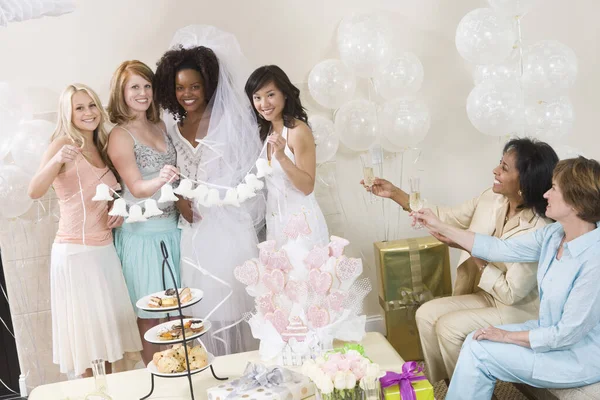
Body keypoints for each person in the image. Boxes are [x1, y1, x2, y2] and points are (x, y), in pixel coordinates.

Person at [362, 138, 558, 383]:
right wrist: (395, 194)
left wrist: (474, 252)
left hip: (517, 308)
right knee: (425, 314)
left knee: (448, 327)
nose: (495, 171)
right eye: (500, 163)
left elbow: (510, 294)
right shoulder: (491, 198)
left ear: (525, 181)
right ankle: (452, 387)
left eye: (505, 168)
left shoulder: (539, 228)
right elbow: (447, 217)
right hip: (485, 293)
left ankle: (470, 390)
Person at [414, 157, 600, 399]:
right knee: (475, 338)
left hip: (576, 357)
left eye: (553, 188)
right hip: (548, 334)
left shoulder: (594, 260)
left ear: (576, 202)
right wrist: (438, 224)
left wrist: (507, 336)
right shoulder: (554, 235)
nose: (545, 194)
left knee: (481, 352)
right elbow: (498, 248)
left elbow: (565, 335)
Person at [153, 25, 264, 355]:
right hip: (194, 232)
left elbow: (251, 174)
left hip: (228, 227)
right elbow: (176, 175)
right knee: (202, 312)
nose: (187, 93)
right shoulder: (174, 127)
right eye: (180, 87)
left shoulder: (231, 121)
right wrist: (180, 198)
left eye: (195, 86)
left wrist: (215, 197)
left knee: (236, 307)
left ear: (209, 86)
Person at [27, 84, 142, 377]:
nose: (88, 112)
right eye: (79, 107)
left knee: (110, 338)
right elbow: (34, 191)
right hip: (76, 253)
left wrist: (117, 211)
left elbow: (104, 194)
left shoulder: (101, 144)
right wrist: (56, 160)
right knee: (88, 343)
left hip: (104, 252)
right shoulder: (62, 143)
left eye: (92, 105)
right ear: (68, 113)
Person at [107, 60, 180, 365]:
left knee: (177, 312)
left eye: (147, 86)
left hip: (173, 230)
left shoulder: (160, 125)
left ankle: (180, 373)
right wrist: (161, 180)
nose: (143, 92)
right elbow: (135, 187)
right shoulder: (120, 135)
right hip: (141, 235)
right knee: (149, 315)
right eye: (134, 87)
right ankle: (157, 379)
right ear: (121, 93)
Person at [245, 65, 329, 247]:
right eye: (257, 97)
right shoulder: (264, 132)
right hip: (275, 223)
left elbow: (307, 187)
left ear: (284, 93)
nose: (264, 104)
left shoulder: (298, 131)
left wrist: (282, 157)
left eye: (270, 95)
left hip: (302, 226)